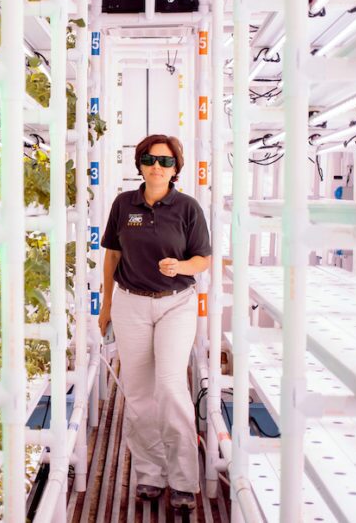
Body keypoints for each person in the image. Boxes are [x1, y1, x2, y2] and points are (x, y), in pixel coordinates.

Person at [97, 133, 212, 509]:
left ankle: (183, 479)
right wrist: (107, 305)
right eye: (149, 159)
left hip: (175, 304)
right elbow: (112, 256)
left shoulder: (187, 208)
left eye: (165, 161)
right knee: (140, 391)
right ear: (140, 164)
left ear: (176, 168)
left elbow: (202, 259)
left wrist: (180, 266)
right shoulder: (123, 204)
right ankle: (149, 473)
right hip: (131, 304)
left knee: (170, 386)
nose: (156, 167)